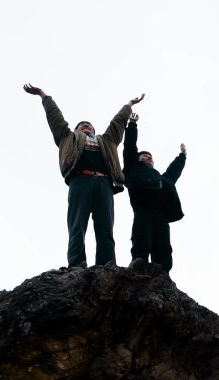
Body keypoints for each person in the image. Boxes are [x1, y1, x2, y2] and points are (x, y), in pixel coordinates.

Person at [23, 83, 144, 268]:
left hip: (104, 183)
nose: (86, 126)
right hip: (80, 181)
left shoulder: (107, 140)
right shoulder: (67, 137)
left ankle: (106, 266)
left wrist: (129, 105)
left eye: (89, 125)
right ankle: (77, 265)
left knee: (105, 229)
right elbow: (56, 118)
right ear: (77, 130)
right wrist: (43, 95)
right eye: (82, 125)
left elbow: (118, 123)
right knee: (77, 226)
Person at [122, 113, 186, 272]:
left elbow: (172, 172)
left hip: (161, 214)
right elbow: (130, 146)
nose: (148, 158)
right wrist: (132, 125)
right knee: (141, 239)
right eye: (145, 156)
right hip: (143, 208)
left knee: (163, 245)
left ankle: (163, 275)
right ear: (138, 159)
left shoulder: (161, 179)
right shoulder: (132, 168)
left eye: (150, 157)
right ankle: (138, 268)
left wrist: (182, 157)